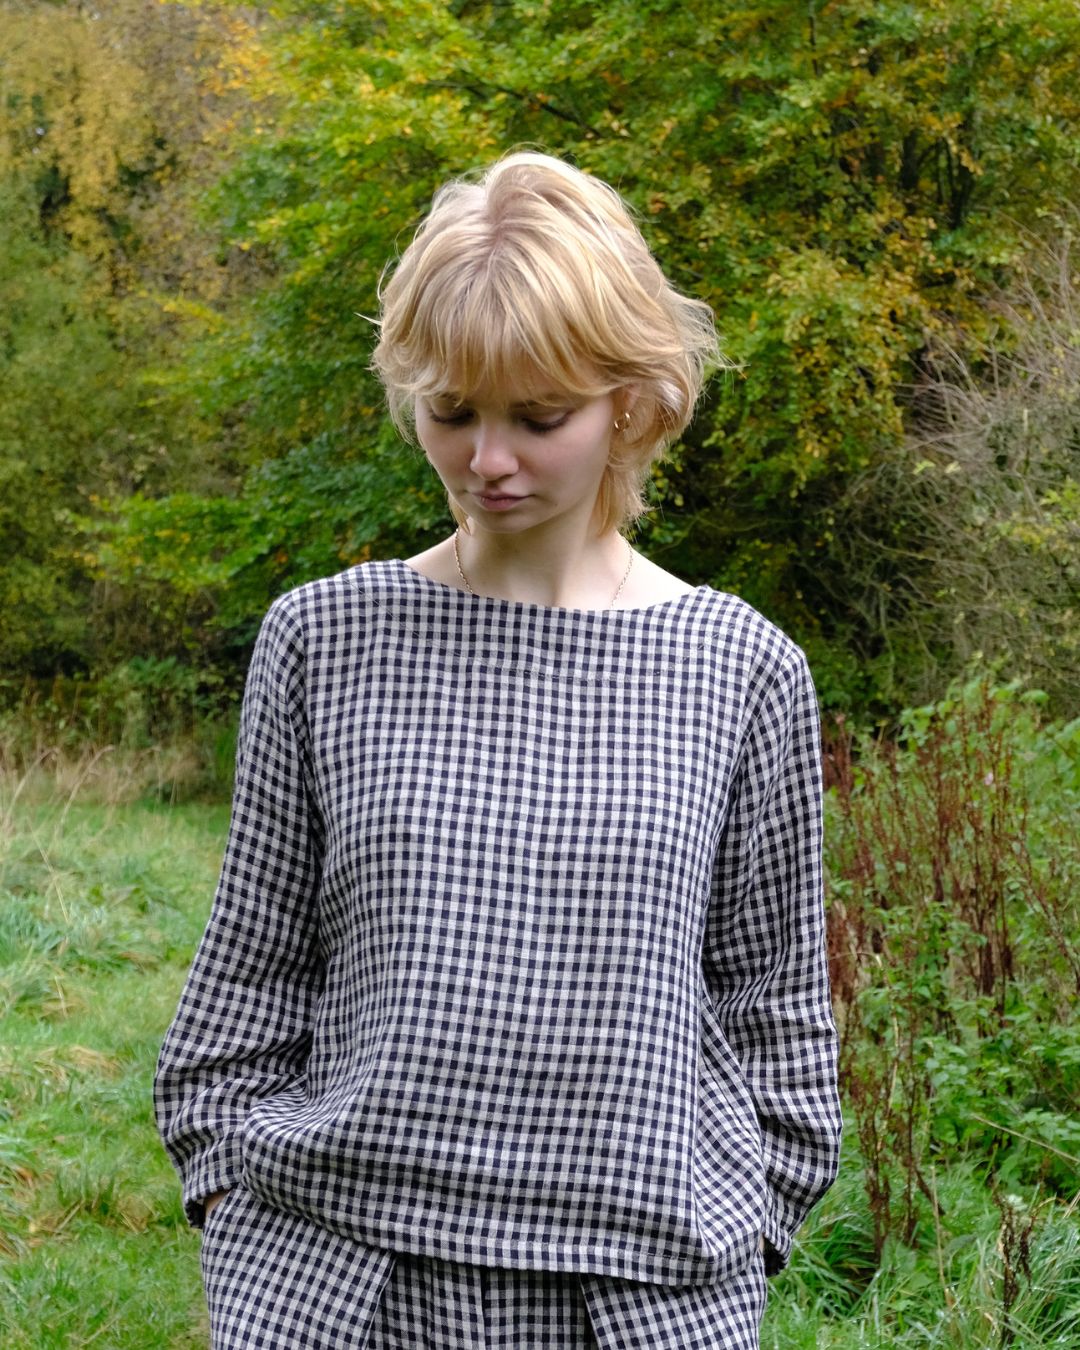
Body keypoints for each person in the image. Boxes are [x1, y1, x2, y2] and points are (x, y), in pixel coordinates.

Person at [154, 150, 842, 1350]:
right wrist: (225, 1191)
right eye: (452, 411)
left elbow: (775, 1003)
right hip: (334, 1282)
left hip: (640, 1301)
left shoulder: (743, 671)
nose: (487, 463)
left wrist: (757, 1216)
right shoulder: (326, 640)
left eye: (540, 416)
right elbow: (250, 967)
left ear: (632, 399)